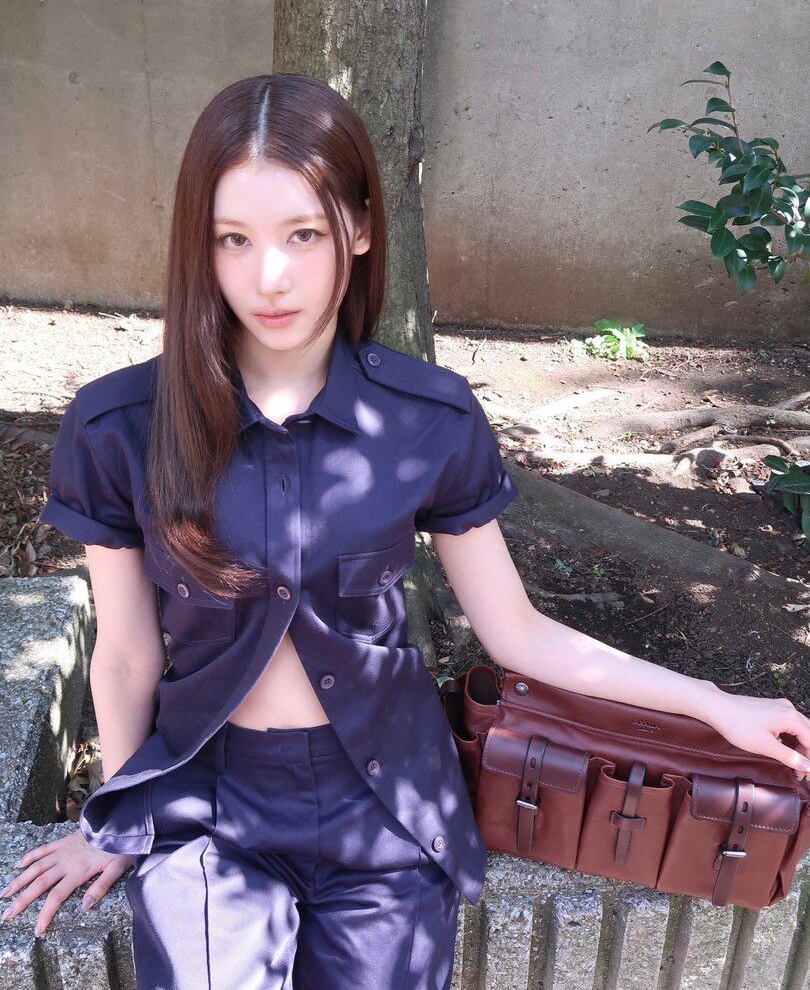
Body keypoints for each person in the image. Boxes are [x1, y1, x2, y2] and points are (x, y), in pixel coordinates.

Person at [1, 73, 809, 990]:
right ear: (200, 243)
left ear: (358, 228)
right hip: (209, 805)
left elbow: (518, 633)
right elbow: (124, 655)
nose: (270, 277)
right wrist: (116, 816)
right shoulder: (118, 426)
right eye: (234, 239)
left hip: (385, 800)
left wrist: (713, 704)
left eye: (303, 234)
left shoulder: (428, 419)